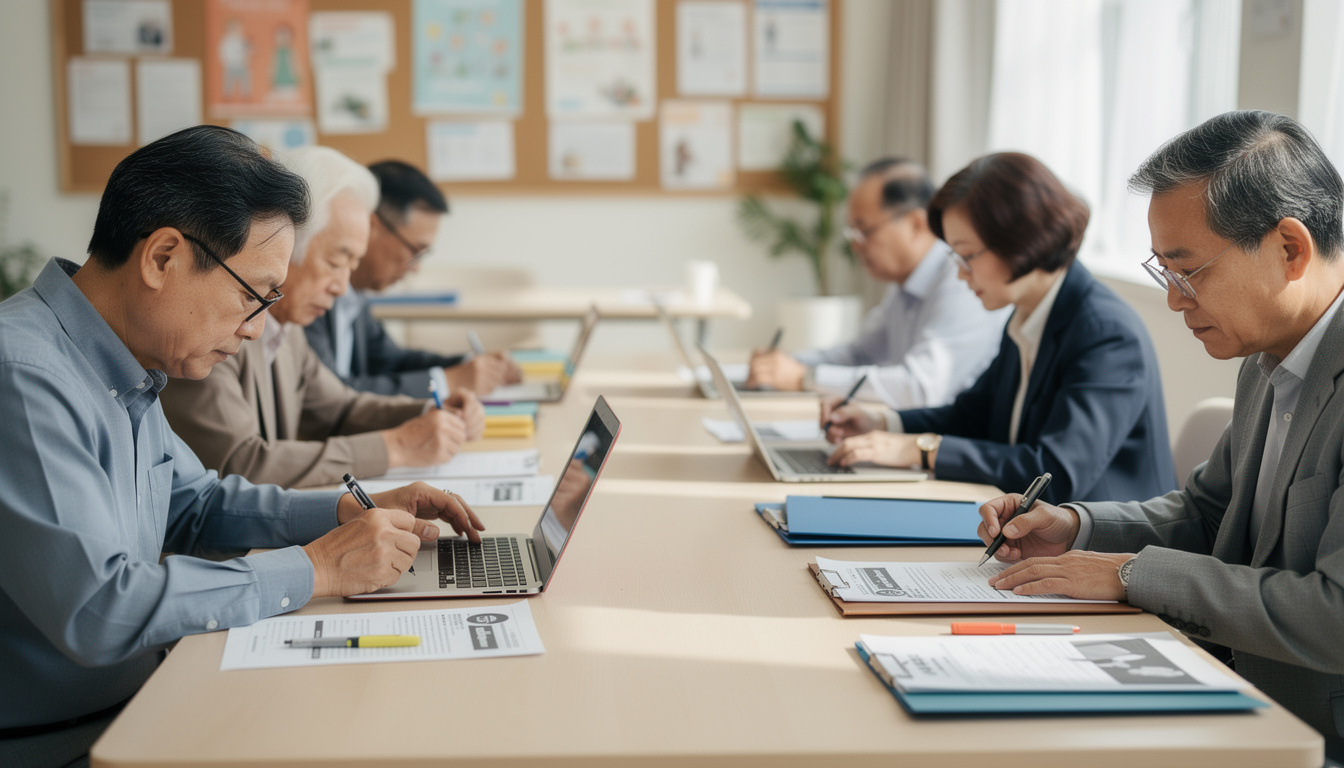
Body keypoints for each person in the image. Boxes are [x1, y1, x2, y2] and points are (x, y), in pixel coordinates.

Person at [0, 125, 484, 767]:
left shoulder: (118, 360)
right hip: (74, 743)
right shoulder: (25, 375)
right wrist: (316, 568)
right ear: (163, 257)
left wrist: (346, 512)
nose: (259, 329)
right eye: (251, 296)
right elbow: (99, 608)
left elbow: (195, 506)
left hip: (148, 698)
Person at [977, 110, 1344, 758]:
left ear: (1290, 248)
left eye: (1189, 271)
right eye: (1164, 273)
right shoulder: (1269, 359)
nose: (1175, 301)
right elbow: (1206, 513)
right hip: (1229, 687)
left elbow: (1333, 614)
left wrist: (1127, 573)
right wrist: (1074, 528)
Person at [823, 152, 1176, 504]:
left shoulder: (1106, 333)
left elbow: (1055, 474)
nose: (961, 274)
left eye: (967, 255)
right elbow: (971, 415)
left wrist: (919, 450)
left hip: (1105, 550)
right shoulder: (1027, 315)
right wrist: (882, 424)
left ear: (1020, 239)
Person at [161, 146, 485, 490]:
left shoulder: (287, 329)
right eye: (334, 262)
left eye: (351, 266)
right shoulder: (215, 329)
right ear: (284, 245)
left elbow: (339, 409)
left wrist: (427, 415)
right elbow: (241, 465)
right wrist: (398, 446)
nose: (343, 287)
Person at [746, 158, 1008, 407]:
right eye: (852, 231)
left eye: (864, 230)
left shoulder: (962, 281)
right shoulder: (905, 284)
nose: (855, 244)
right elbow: (859, 355)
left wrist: (805, 377)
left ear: (917, 224)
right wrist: (785, 363)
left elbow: (920, 388)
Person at [304, 160, 520, 397]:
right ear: (371, 227)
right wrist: (446, 382)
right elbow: (330, 397)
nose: (416, 268)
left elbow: (391, 361)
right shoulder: (308, 296)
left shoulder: (354, 296)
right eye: (415, 252)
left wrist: (469, 366)